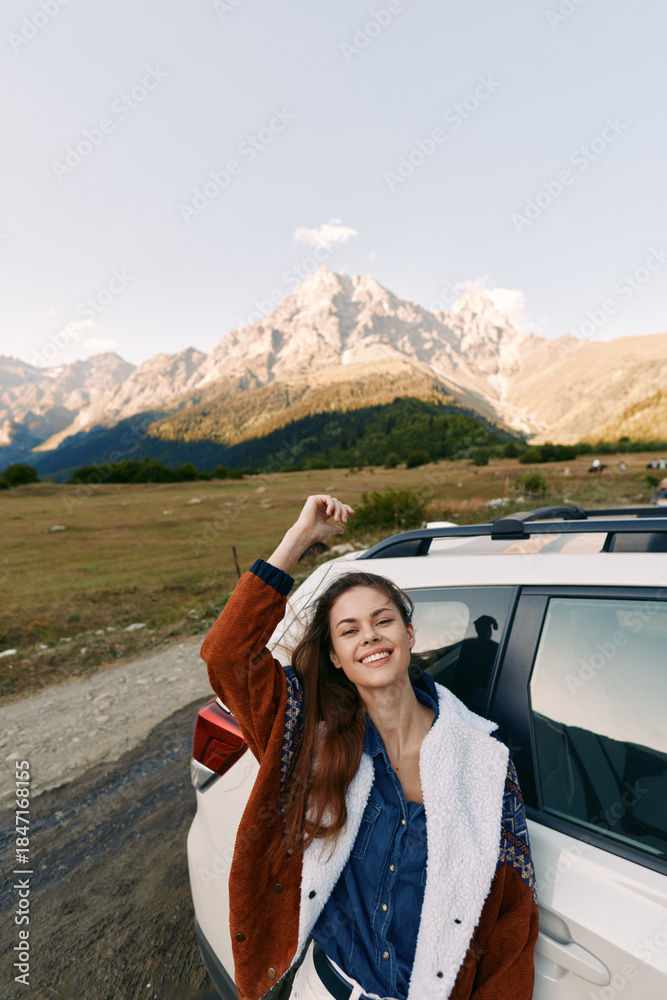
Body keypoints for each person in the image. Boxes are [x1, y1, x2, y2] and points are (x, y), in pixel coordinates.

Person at [199, 495, 539, 1000]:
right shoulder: (308, 732)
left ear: (409, 633)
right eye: (349, 630)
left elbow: (511, 926)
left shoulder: (484, 761)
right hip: (325, 989)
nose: (370, 637)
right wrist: (299, 538)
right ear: (335, 657)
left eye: (383, 621)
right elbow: (227, 656)